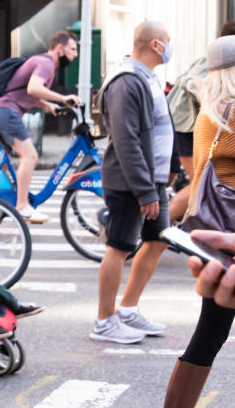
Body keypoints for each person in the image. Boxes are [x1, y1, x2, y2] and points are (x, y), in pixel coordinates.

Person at [163, 35, 235, 407]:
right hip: (232, 236)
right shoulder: (234, 113)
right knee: (210, 334)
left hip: (215, 231)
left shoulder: (210, 110)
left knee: (209, 334)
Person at [91, 21, 174, 344]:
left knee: (158, 239)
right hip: (129, 180)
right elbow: (127, 141)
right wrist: (144, 190)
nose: (170, 47)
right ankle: (104, 320)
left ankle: (127, 309)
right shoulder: (127, 82)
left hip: (150, 179)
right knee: (119, 247)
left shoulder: (147, 77)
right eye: (168, 41)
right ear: (155, 45)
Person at [0, 30, 82, 223]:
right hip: (7, 112)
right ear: (59, 49)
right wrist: (63, 98)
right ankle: (22, 206)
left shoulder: (41, 62)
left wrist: (48, 105)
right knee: (30, 156)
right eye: (72, 49)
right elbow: (33, 88)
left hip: (0, 111)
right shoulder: (46, 64)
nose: (75, 54)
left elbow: (25, 91)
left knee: (0, 165)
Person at [166, 20, 235, 220]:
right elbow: (189, 81)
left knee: (201, 183)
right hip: (183, 126)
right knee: (199, 184)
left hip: (191, 124)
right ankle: (155, 229)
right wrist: (212, 99)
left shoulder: (218, 56)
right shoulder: (222, 60)